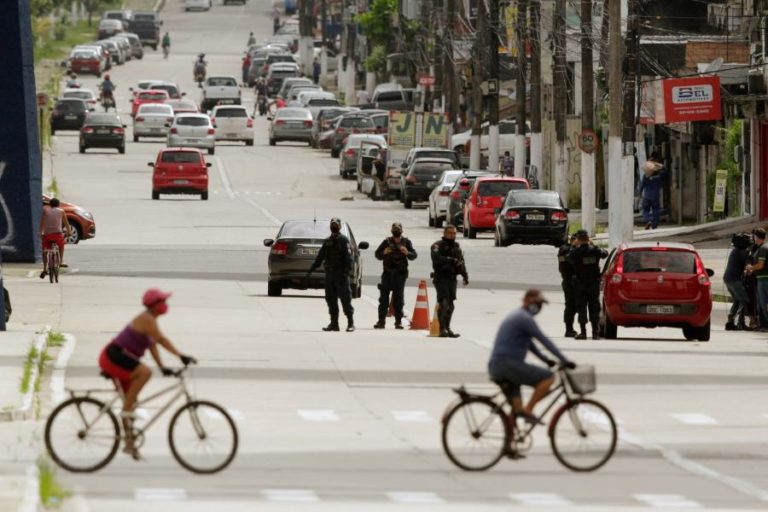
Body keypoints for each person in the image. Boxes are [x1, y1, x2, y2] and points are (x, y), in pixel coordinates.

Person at [98, 289, 196, 459]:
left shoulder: (150, 320)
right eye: (162, 302)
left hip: (120, 357)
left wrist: (162, 367)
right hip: (113, 356)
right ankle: (126, 410)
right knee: (144, 373)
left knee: (132, 402)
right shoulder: (146, 319)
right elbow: (161, 340)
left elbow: (152, 345)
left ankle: (129, 444)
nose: (165, 305)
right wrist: (181, 356)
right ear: (154, 305)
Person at [488, 289, 575, 440]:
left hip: (498, 366)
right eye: (537, 304)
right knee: (549, 377)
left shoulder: (518, 316)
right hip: (508, 365)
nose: (539, 308)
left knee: (516, 409)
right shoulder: (524, 318)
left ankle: (508, 443)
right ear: (527, 301)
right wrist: (564, 360)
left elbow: (530, 345)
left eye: (541, 305)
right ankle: (529, 410)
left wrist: (546, 360)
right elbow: (543, 340)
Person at [308, 218, 355, 332]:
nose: (334, 226)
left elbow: (348, 258)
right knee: (330, 299)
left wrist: (346, 272)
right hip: (330, 274)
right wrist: (313, 267)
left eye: (336, 224)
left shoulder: (344, 240)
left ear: (339, 226)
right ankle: (334, 323)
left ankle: (350, 323)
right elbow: (321, 255)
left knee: (345, 299)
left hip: (341, 274)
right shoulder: (327, 241)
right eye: (332, 224)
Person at [374, 222, 417, 329]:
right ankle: (381, 321)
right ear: (392, 231)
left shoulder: (406, 242)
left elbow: (414, 255)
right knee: (383, 299)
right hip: (387, 274)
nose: (396, 231)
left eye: (398, 229)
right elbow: (377, 254)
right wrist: (384, 252)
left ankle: (398, 322)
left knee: (398, 299)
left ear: (402, 231)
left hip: (400, 275)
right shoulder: (386, 242)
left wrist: (407, 252)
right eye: (395, 229)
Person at [568, 229, 608, 340]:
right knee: (594, 307)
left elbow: (569, 258)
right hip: (593, 284)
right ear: (588, 238)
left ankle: (583, 333)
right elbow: (605, 253)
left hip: (580, 284)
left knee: (582, 308)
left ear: (578, 240)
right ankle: (595, 333)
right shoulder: (595, 250)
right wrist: (593, 245)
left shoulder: (575, 252)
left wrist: (575, 246)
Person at [431, 225, 469, 338]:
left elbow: (461, 262)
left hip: (452, 278)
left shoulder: (456, 246)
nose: (452, 235)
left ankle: (448, 328)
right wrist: (450, 260)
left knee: (451, 306)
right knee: (444, 302)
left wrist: (465, 275)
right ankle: (441, 329)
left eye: (454, 233)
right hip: (441, 277)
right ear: (445, 233)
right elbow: (436, 258)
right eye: (450, 233)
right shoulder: (437, 245)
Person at [724, 233, 752, 330]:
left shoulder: (735, 251)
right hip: (734, 280)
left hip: (728, 279)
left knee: (737, 300)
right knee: (744, 299)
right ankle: (736, 321)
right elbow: (748, 266)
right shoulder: (743, 252)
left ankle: (733, 322)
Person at [39, 198, 72, 279]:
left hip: (47, 235)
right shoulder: (61, 211)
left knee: (45, 251)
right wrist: (69, 231)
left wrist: (40, 232)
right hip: (57, 235)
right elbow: (66, 223)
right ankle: (61, 261)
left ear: (50, 205)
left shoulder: (46, 211)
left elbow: (42, 223)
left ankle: (44, 268)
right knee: (61, 245)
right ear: (58, 204)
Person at [745, 228, 768, 331]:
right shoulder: (760, 247)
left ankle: (765, 325)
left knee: (763, 303)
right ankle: (762, 324)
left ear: (757, 237)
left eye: (754, 236)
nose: (753, 238)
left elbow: (761, 265)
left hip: (764, 279)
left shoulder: (763, 248)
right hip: (760, 278)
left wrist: (751, 268)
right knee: (760, 303)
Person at [557, 234, 578, 337]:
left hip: (578, 281)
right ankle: (569, 329)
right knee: (570, 305)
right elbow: (568, 259)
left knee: (578, 306)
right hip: (570, 281)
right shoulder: (565, 249)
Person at [638, 158, 666, 229]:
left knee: (646, 209)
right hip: (655, 196)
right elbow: (664, 170)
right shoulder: (659, 177)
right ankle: (654, 225)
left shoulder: (645, 176)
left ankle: (648, 219)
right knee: (656, 210)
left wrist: (639, 194)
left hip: (646, 196)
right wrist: (659, 165)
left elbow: (642, 185)